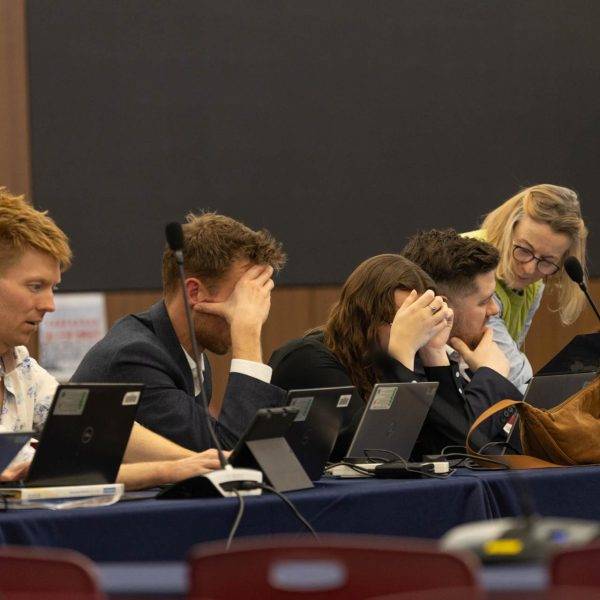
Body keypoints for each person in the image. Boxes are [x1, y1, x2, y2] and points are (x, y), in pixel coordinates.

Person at [0, 188, 223, 489]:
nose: (49, 305)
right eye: (35, 286)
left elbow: (101, 428)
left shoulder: (20, 365)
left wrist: (208, 463)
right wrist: (174, 469)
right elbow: (45, 471)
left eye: (53, 288)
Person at [73, 211, 288, 451]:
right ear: (194, 292)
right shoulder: (135, 359)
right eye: (244, 297)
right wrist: (247, 335)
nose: (253, 311)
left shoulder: (188, 356)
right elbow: (228, 455)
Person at [269, 254, 520, 457]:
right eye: (403, 321)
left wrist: (435, 354)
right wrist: (402, 353)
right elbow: (373, 451)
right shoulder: (307, 359)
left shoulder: (412, 359)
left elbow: (454, 450)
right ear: (364, 318)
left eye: (421, 319)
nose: (414, 332)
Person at [464, 183, 588, 392]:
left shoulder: (534, 286)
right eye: (524, 249)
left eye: (547, 261)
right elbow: (512, 373)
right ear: (507, 229)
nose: (529, 269)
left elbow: (510, 365)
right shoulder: (471, 263)